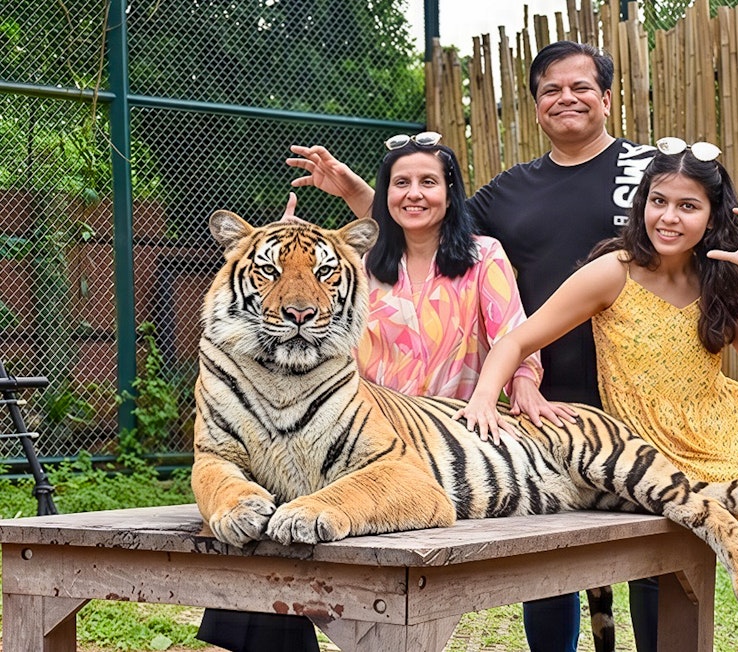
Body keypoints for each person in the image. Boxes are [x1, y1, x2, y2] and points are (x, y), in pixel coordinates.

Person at [286, 39, 738, 652]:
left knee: (657, 553)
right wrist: (362, 193)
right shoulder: (510, 190)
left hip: (641, 398)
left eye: (580, 86)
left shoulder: (647, 172)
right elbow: (431, 223)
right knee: (550, 567)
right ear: (536, 105)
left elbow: (725, 228)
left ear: (608, 98)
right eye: (550, 90)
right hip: (549, 401)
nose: (565, 98)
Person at [454, 140, 738, 652]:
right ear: (642, 202)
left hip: (731, 435)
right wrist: (486, 398)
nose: (668, 218)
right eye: (658, 201)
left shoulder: (717, 276)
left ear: (712, 216)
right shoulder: (615, 271)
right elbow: (517, 338)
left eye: (688, 206)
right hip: (656, 452)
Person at [198, 134, 564, 652]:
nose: (414, 194)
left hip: (450, 437)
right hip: (356, 434)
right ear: (385, 192)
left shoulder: (484, 256)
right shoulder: (359, 264)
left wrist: (520, 385)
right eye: (401, 183)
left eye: (429, 183)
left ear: (451, 191)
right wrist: (276, 250)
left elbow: (515, 336)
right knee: (270, 518)